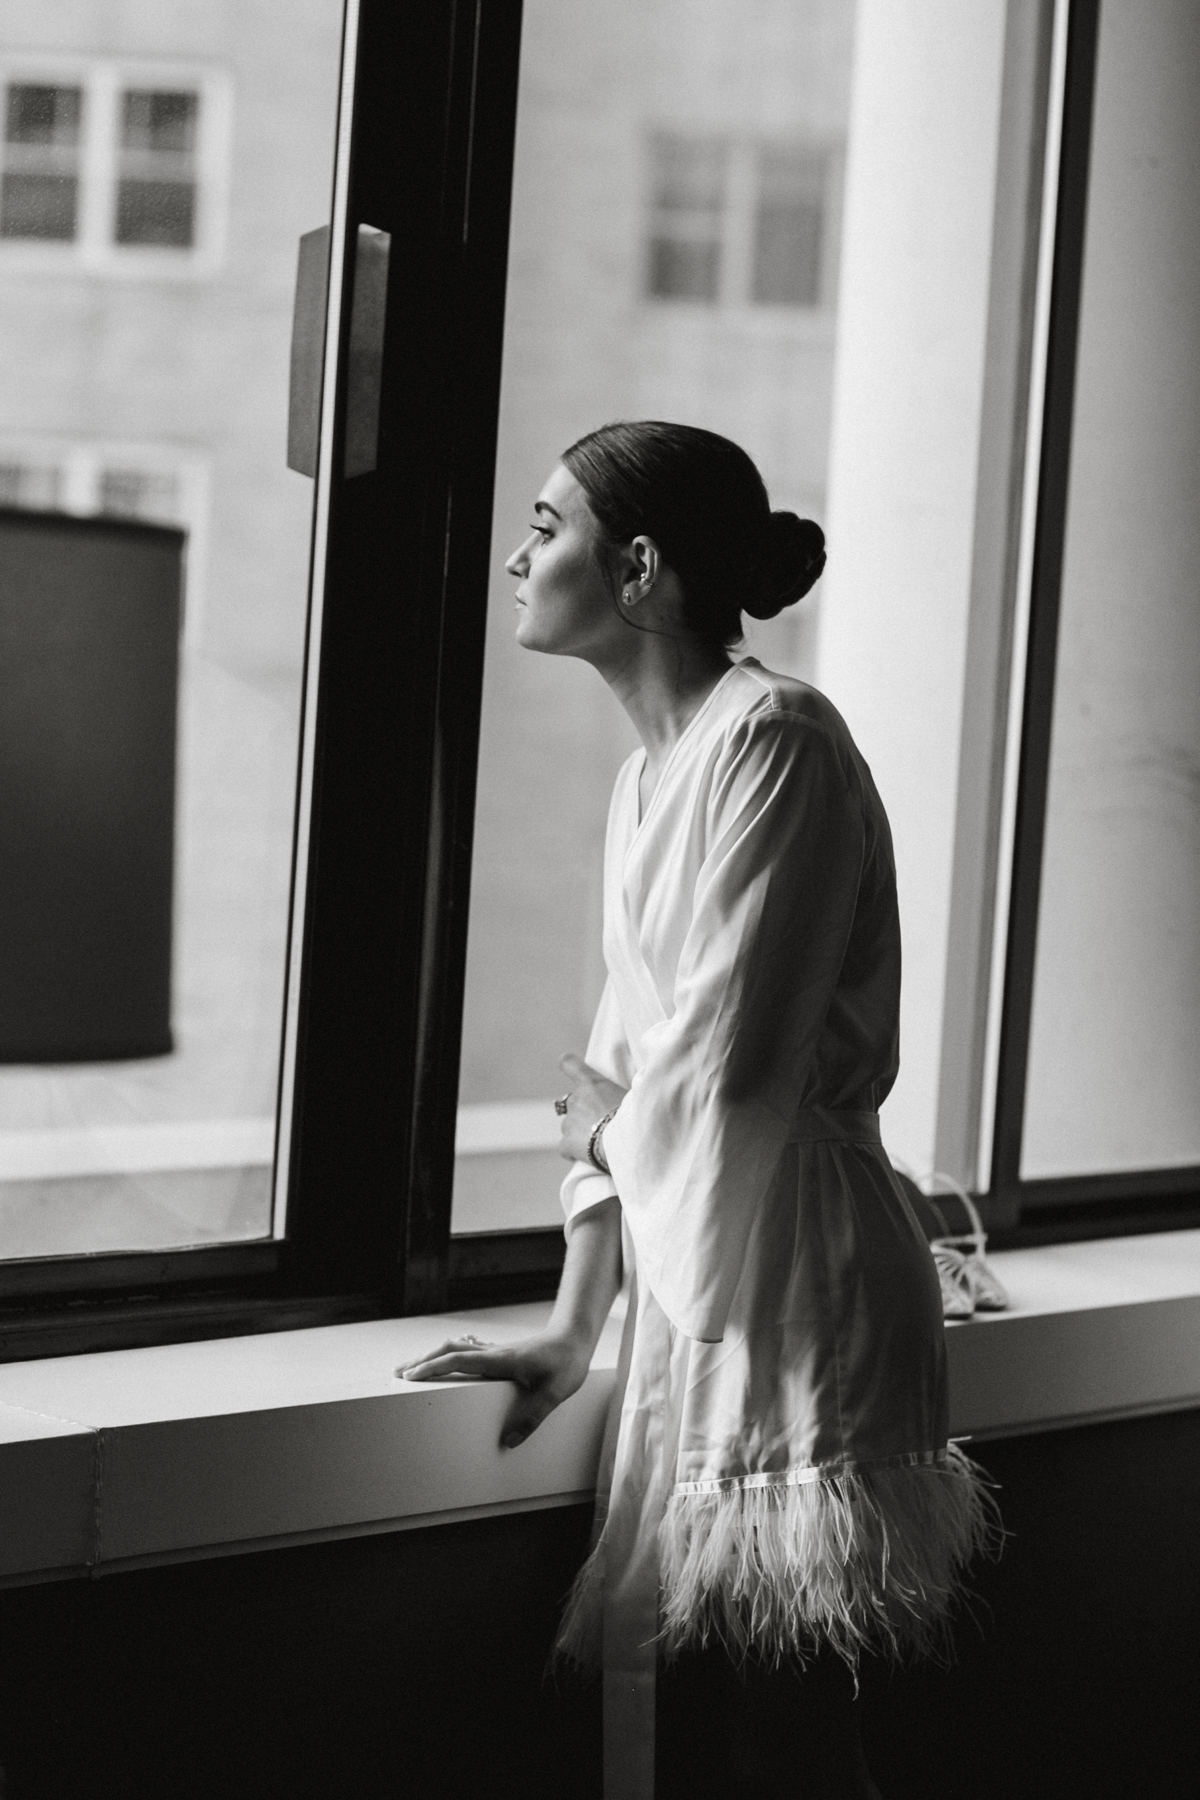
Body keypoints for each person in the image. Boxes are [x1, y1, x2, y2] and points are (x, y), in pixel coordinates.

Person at [400, 422, 995, 1799]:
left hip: (802, 1284)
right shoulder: (647, 778)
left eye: (546, 528)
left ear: (643, 567)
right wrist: (570, 1323)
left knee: (782, 1724)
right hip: (708, 1270)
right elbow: (630, 1063)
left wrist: (605, 1122)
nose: (515, 554)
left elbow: (718, 1071)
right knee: (711, 1712)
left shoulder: (777, 741)